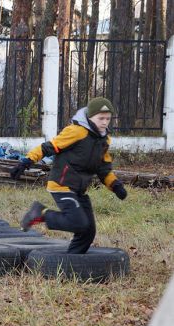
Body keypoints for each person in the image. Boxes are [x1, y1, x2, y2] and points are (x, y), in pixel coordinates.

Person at [10, 97, 128, 254]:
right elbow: (48, 147)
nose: (105, 122)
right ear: (90, 116)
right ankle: (41, 213)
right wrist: (26, 162)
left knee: (87, 232)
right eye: (101, 118)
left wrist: (115, 185)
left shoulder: (104, 140)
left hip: (78, 190)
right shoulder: (76, 131)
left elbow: (104, 169)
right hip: (61, 185)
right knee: (78, 222)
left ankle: (71, 263)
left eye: (108, 118)